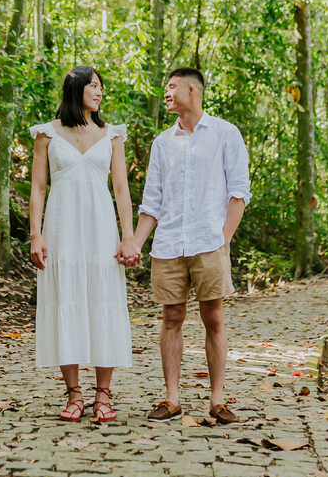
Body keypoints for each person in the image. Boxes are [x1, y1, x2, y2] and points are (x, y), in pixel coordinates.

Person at [133, 67, 251, 424]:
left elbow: (239, 192)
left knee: (213, 318)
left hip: (208, 242)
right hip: (168, 243)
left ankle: (217, 400)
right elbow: (151, 202)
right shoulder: (161, 143)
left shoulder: (225, 133)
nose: (166, 93)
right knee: (171, 318)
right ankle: (172, 399)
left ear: (191, 91)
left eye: (171, 87)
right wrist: (135, 244)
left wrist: (223, 240)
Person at [28, 66, 142, 423]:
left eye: (100, 86)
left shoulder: (112, 135)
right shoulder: (47, 134)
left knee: (104, 300)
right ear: (76, 89)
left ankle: (103, 394)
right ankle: (74, 393)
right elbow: (38, 188)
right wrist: (36, 234)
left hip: (101, 230)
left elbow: (121, 189)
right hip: (62, 229)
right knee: (67, 300)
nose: (99, 92)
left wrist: (128, 236)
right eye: (93, 85)